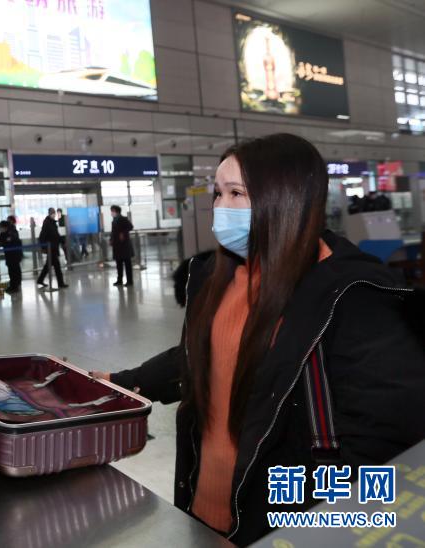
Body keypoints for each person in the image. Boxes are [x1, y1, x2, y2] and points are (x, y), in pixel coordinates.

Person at [91, 133, 425, 545]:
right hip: (204, 507)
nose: (220, 207)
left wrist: (319, 528)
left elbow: (382, 439)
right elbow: (207, 353)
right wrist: (122, 383)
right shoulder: (218, 276)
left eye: (236, 193)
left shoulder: (356, 294)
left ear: (286, 199)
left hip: (287, 523)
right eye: (217, 193)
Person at [37, 207, 67, 289]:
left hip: (53, 247)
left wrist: (62, 241)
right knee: (57, 266)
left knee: (48, 265)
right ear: (49, 213)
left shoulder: (53, 223)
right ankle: (61, 283)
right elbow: (42, 235)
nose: (54, 214)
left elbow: (56, 234)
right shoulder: (47, 223)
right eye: (52, 213)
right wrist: (43, 247)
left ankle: (40, 280)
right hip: (51, 248)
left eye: (54, 213)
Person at [0, 220, 23, 294]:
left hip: (15, 254)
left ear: (5, 227)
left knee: (14, 270)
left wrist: (3, 242)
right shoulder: (3, 233)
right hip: (9, 255)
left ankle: (15, 286)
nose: (0, 229)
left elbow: (10, 241)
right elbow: (0, 241)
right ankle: (13, 285)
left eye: (0, 227)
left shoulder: (12, 232)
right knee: (11, 270)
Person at [109, 205, 134, 287]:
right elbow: (113, 232)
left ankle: (129, 281)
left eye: (112, 211)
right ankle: (119, 280)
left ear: (116, 211)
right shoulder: (114, 221)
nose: (111, 213)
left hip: (124, 245)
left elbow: (130, 227)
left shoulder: (123, 219)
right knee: (118, 264)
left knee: (127, 264)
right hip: (117, 245)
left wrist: (123, 233)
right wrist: (111, 239)